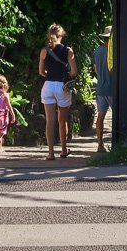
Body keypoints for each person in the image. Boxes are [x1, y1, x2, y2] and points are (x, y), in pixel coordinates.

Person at [38, 23, 77, 160]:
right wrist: (66, 74)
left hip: (48, 86)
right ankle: (64, 150)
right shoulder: (68, 51)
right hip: (62, 86)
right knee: (62, 120)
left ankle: (50, 153)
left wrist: (50, 73)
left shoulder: (44, 51)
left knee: (50, 121)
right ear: (62, 35)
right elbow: (74, 72)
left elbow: (41, 72)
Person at [92, 26, 113, 153]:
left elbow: (94, 69)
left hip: (100, 88)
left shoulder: (97, 51)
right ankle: (117, 144)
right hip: (112, 89)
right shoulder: (113, 52)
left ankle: (100, 144)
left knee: (100, 116)